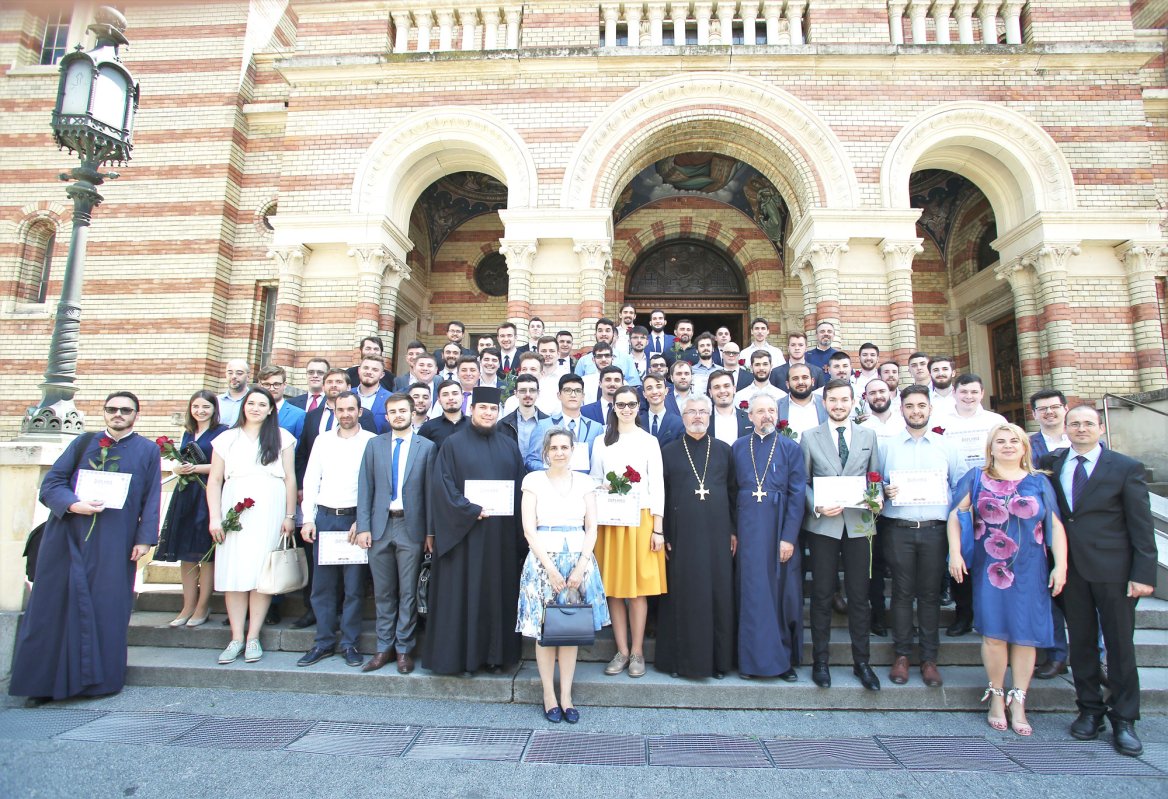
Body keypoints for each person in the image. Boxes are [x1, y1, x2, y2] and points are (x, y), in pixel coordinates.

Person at [9, 392, 161, 703]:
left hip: (115, 540)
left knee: (106, 606)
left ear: (136, 415)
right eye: (112, 409)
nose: (118, 414)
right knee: (54, 606)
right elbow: (53, 483)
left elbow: (151, 497)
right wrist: (74, 505)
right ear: (104, 412)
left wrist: (144, 538)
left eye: (125, 410)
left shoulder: (147, 451)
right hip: (67, 536)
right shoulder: (82, 443)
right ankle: (42, 685)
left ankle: (97, 682)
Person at [1039, 406, 1156, 756]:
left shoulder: (1124, 467)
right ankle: (1089, 710)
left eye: (1088, 423)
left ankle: (1125, 719)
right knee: (1084, 644)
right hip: (1070, 571)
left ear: (1101, 428)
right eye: (1074, 424)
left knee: (1120, 647)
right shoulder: (1054, 463)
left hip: (1114, 572)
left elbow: (1141, 524)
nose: (1081, 429)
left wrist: (1143, 573)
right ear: (1066, 428)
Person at [948, 423, 1068, 736]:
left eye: (1014, 440)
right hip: (991, 570)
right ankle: (997, 696)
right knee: (994, 634)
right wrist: (955, 554)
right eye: (1000, 441)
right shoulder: (977, 478)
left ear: (1025, 447)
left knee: (1026, 635)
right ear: (990, 447)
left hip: (1031, 569)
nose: (1008, 445)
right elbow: (954, 516)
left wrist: (1061, 566)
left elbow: (1054, 526)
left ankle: (1019, 702)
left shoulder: (1039, 482)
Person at [423, 387, 525, 674]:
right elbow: (442, 486)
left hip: (500, 538)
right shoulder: (452, 445)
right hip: (465, 538)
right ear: (472, 410)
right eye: (483, 408)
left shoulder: (509, 445)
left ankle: (495, 657)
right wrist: (469, 509)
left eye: (493, 410)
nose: (488, 413)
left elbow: (519, 490)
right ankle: (461, 658)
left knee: (497, 595)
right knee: (463, 596)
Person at [517, 428, 610, 722]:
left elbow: (592, 526)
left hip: (578, 560)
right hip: (545, 560)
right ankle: (548, 695)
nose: (559, 452)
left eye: (564, 447)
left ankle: (567, 695)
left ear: (572, 450)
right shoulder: (532, 480)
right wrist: (551, 569)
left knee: (569, 631)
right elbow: (529, 529)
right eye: (554, 447)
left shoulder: (585, 482)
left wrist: (582, 565)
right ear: (546, 451)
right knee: (547, 632)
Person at [802, 379, 885, 691]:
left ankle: (861, 662)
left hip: (860, 523)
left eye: (844, 400)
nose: (838, 405)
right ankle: (820, 661)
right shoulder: (810, 437)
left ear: (853, 402)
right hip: (824, 524)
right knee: (822, 595)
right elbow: (803, 482)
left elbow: (874, 476)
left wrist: (876, 498)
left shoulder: (868, 435)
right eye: (833, 400)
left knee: (859, 596)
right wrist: (818, 505)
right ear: (824, 403)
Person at [880, 386, 965, 687]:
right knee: (902, 595)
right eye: (910, 406)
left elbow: (960, 489)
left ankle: (929, 659)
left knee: (929, 595)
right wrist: (882, 491)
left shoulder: (947, 447)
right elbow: (874, 483)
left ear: (930, 409)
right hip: (899, 529)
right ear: (900, 409)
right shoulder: (887, 446)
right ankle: (901, 655)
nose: (916, 411)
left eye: (921, 406)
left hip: (934, 530)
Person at [207, 386, 298, 665]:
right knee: (234, 572)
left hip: (270, 508)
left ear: (271, 409)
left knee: (262, 573)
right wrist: (214, 517)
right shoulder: (226, 439)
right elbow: (214, 481)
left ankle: (253, 636)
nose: (256, 408)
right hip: (234, 507)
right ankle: (236, 637)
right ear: (243, 406)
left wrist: (289, 515)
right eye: (251, 403)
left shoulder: (282, 437)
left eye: (262, 404)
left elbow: (290, 479)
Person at [657, 395, 737, 679]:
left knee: (717, 595)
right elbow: (661, 496)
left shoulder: (724, 451)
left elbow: (732, 493)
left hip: (717, 535)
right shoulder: (667, 451)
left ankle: (718, 661)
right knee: (684, 595)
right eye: (692, 412)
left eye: (703, 411)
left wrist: (733, 530)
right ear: (682, 415)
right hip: (682, 536)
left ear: (711, 415)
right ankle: (680, 661)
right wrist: (663, 531)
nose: (698, 417)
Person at [590, 386, 666, 678]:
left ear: (638, 406)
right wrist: (605, 487)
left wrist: (657, 528)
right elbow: (595, 480)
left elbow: (656, 485)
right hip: (610, 520)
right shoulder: (601, 442)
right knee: (614, 590)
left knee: (636, 591)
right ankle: (620, 650)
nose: (626, 409)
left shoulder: (649, 441)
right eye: (620, 404)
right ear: (613, 407)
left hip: (641, 519)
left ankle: (637, 652)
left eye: (631, 404)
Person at [356, 393, 436, 674]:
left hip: (410, 527)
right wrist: (363, 526)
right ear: (386, 416)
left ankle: (404, 649)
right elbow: (365, 488)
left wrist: (429, 533)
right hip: (379, 527)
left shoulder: (426, 447)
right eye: (393, 411)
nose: (398, 415)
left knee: (408, 592)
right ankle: (383, 648)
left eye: (403, 410)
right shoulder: (374, 445)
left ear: (413, 413)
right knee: (383, 591)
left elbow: (429, 492)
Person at [296, 391, 375, 669]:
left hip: (355, 520)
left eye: (350, 409)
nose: (346, 414)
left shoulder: (371, 442)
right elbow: (311, 478)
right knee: (323, 586)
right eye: (341, 409)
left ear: (360, 412)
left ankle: (350, 643)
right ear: (335, 411)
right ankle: (323, 641)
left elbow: (375, 484)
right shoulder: (323, 441)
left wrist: (363, 520)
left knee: (354, 588)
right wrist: (308, 518)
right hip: (326, 519)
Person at [731, 394, 806, 680]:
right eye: (760, 411)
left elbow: (798, 495)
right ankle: (749, 662)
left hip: (778, 532)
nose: (766, 416)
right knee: (752, 595)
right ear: (749, 416)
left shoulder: (790, 448)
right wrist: (733, 532)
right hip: (748, 533)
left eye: (771, 410)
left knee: (782, 595)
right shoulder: (738, 448)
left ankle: (783, 661)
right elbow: (730, 492)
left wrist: (788, 537)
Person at [154, 390, 228, 628]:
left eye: (206, 407)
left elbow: (223, 466)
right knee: (185, 553)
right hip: (186, 494)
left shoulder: (222, 432)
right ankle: (187, 604)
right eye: (196, 406)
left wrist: (194, 470)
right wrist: (178, 469)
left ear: (214, 409)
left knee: (204, 553)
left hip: (208, 493)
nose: (200, 411)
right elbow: (180, 461)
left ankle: (202, 605)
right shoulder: (188, 432)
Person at [1028, 388, 1073, 679]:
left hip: (1081, 531)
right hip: (1042, 528)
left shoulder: (1084, 439)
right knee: (1050, 594)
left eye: (1054, 407)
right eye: (1042, 409)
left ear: (1065, 408)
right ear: (1034, 414)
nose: (1049, 412)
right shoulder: (1028, 445)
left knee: (1084, 598)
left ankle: (1098, 658)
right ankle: (1057, 654)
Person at [526, 374, 604, 473]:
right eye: (567, 390)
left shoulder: (596, 428)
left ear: (583, 396)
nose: (573, 395)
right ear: (559, 395)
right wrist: (554, 470)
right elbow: (531, 461)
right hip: (552, 483)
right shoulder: (544, 425)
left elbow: (599, 462)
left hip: (584, 484)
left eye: (578, 391)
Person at [499, 373, 547, 454]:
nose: (527, 394)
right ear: (516, 393)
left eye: (532, 390)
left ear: (538, 393)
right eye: (523, 390)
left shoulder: (548, 423)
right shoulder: (503, 425)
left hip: (540, 467)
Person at [258, 365, 305, 441]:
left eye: (276, 384)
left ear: (284, 385)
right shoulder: (252, 411)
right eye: (267, 384)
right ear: (260, 385)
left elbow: (299, 447)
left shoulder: (298, 415)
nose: (272, 388)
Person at [779, 363, 827, 437]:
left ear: (813, 381)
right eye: (795, 378)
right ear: (787, 384)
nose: (800, 382)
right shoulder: (777, 407)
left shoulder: (826, 404)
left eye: (805, 377)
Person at [707, 369, 752, 445]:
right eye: (717, 387)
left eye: (726, 386)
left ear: (734, 389)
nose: (722, 391)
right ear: (710, 392)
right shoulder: (704, 420)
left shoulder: (749, 419)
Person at [418, 379, 467, 449]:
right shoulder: (428, 427)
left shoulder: (474, 425)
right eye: (445, 395)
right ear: (439, 400)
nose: (451, 398)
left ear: (462, 397)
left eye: (455, 393)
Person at [639, 374, 684, 447]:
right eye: (649, 388)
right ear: (644, 394)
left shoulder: (679, 423)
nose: (654, 391)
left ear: (666, 391)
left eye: (658, 387)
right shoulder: (637, 423)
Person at [219, 358, 250, 426]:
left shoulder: (254, 400)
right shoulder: (216, 401)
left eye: (239, 373)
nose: (234, 376)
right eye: (230, 373)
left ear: (248, 377)